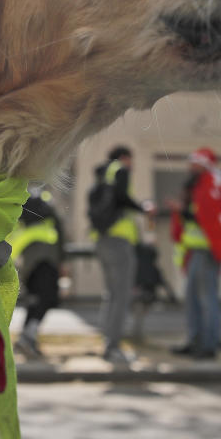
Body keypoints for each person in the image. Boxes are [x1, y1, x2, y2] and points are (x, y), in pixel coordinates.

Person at [169, 147, 221, 360]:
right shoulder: (199, 184)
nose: (190, 166)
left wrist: (182, 209)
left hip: (206, 249)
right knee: (194, 297)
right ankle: (195, 341)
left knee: (205, 297)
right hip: (197, 249)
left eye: (194, 162)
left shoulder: (211, 182)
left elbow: (207, 214)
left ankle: (209, 344)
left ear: (204, 164)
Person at [90, 146, 151, 364]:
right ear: (125, 158)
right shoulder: (120, 170)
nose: (132, 165)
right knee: (122, 295)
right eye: (131, 160)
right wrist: (143, 207)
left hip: (102, 240)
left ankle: (107, 340)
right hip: (119, 242)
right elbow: (122, 198)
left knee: (112, 294)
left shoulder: (101, 175)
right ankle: (112, 347)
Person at [7, 190, 64, 359]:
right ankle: (28, 336)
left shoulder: (25, 205)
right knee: (47, 298)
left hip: (28, 257)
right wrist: (62, 259)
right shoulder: (46, 204)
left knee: (34, 299)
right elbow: (59, 229)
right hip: (47, 256)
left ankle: (27, 337)